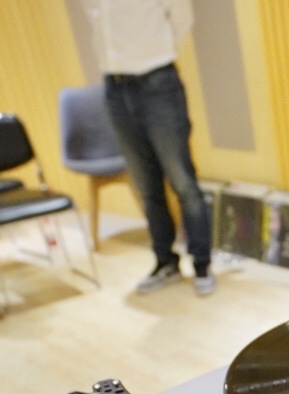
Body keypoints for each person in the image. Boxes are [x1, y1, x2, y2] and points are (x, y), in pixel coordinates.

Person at [88, 0, 215, 296]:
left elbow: (182, 18)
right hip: (114, 87)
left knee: (183, 181)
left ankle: (202, 264)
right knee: (146, 185)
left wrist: (158, 54)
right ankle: (165, 262)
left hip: (157, 81)